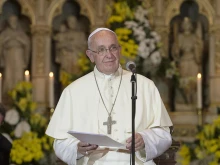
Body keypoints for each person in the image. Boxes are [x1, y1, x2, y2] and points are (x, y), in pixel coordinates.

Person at [46, 28, 173, 165]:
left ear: (120, 50)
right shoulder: (72, 91)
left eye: (113, 48)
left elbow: (164, 134)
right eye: (101, 50)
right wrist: (76, 149)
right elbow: (60, 142)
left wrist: (145, 139)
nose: (109, 55)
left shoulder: (144, 85)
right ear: (90, 55)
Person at [172, 17, 203, 105]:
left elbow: (199, 49)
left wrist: (198, 47)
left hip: (193, 60)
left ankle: (193, 99)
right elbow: (176, 50)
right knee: (183, 80)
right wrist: (176, 50)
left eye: (188, 24)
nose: (186, 26)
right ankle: (184, 99)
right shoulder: (180, 36)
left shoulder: (194, 36)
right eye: (184, 24)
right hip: (184, 60)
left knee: (193, 81)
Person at [0, 15, 30, 94]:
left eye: (14, 20)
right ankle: (6, 96)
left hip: (19, 55)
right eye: (11, 21)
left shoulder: (21, 33)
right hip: (8, 55)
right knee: (8, 75)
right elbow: (1, 44)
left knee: (18, 75)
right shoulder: (5, 33)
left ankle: (19, 95)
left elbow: (27, 44)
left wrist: (19, 40)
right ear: (9, 22)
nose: (13, 22)